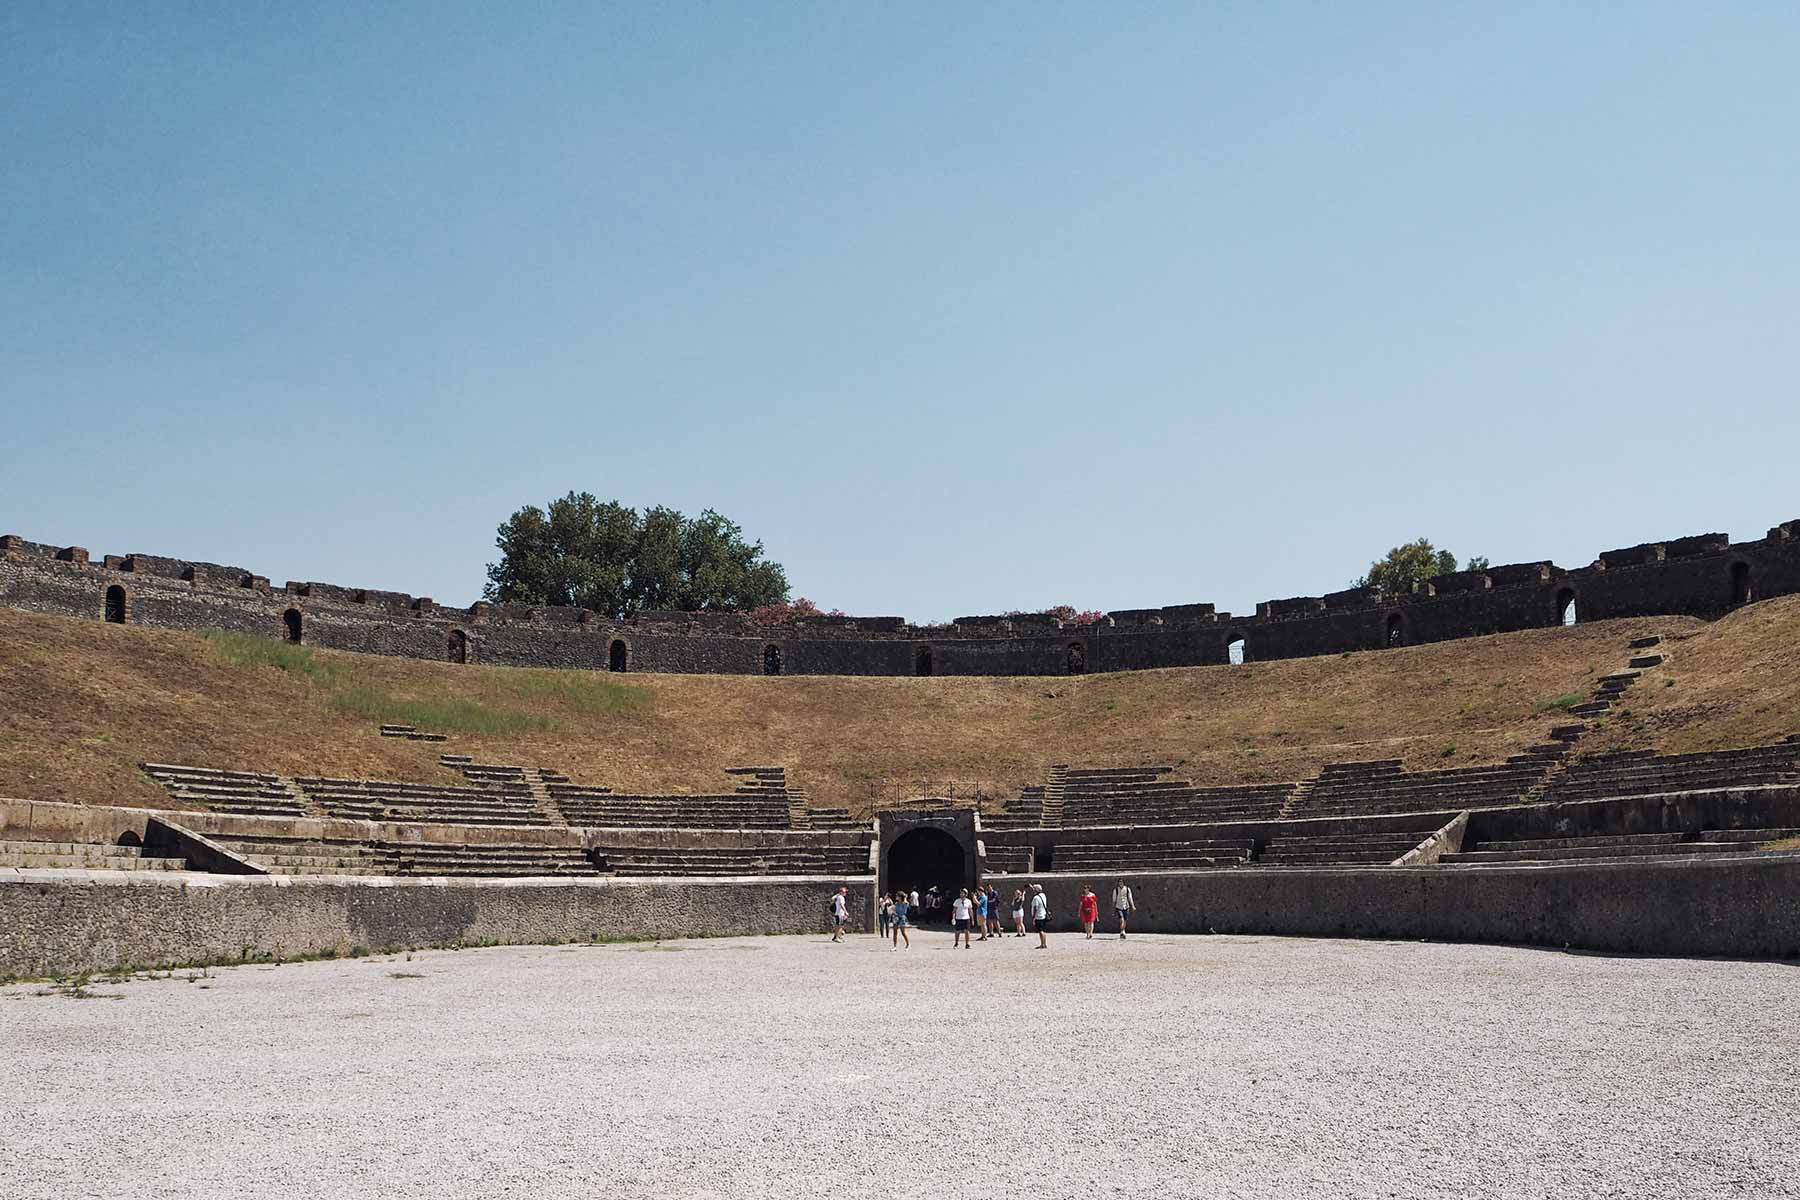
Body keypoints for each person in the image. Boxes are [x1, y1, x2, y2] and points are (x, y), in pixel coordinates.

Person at [1030, 884, 1049, 949]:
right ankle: (1044, 943)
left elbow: (1035, 908)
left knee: (1040, 931)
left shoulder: (1035, 898)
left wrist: (1033, 917)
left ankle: (1042, 944)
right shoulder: (1043, 895)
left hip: (1038, 916)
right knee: (1043, 930)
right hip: (1043, 915)